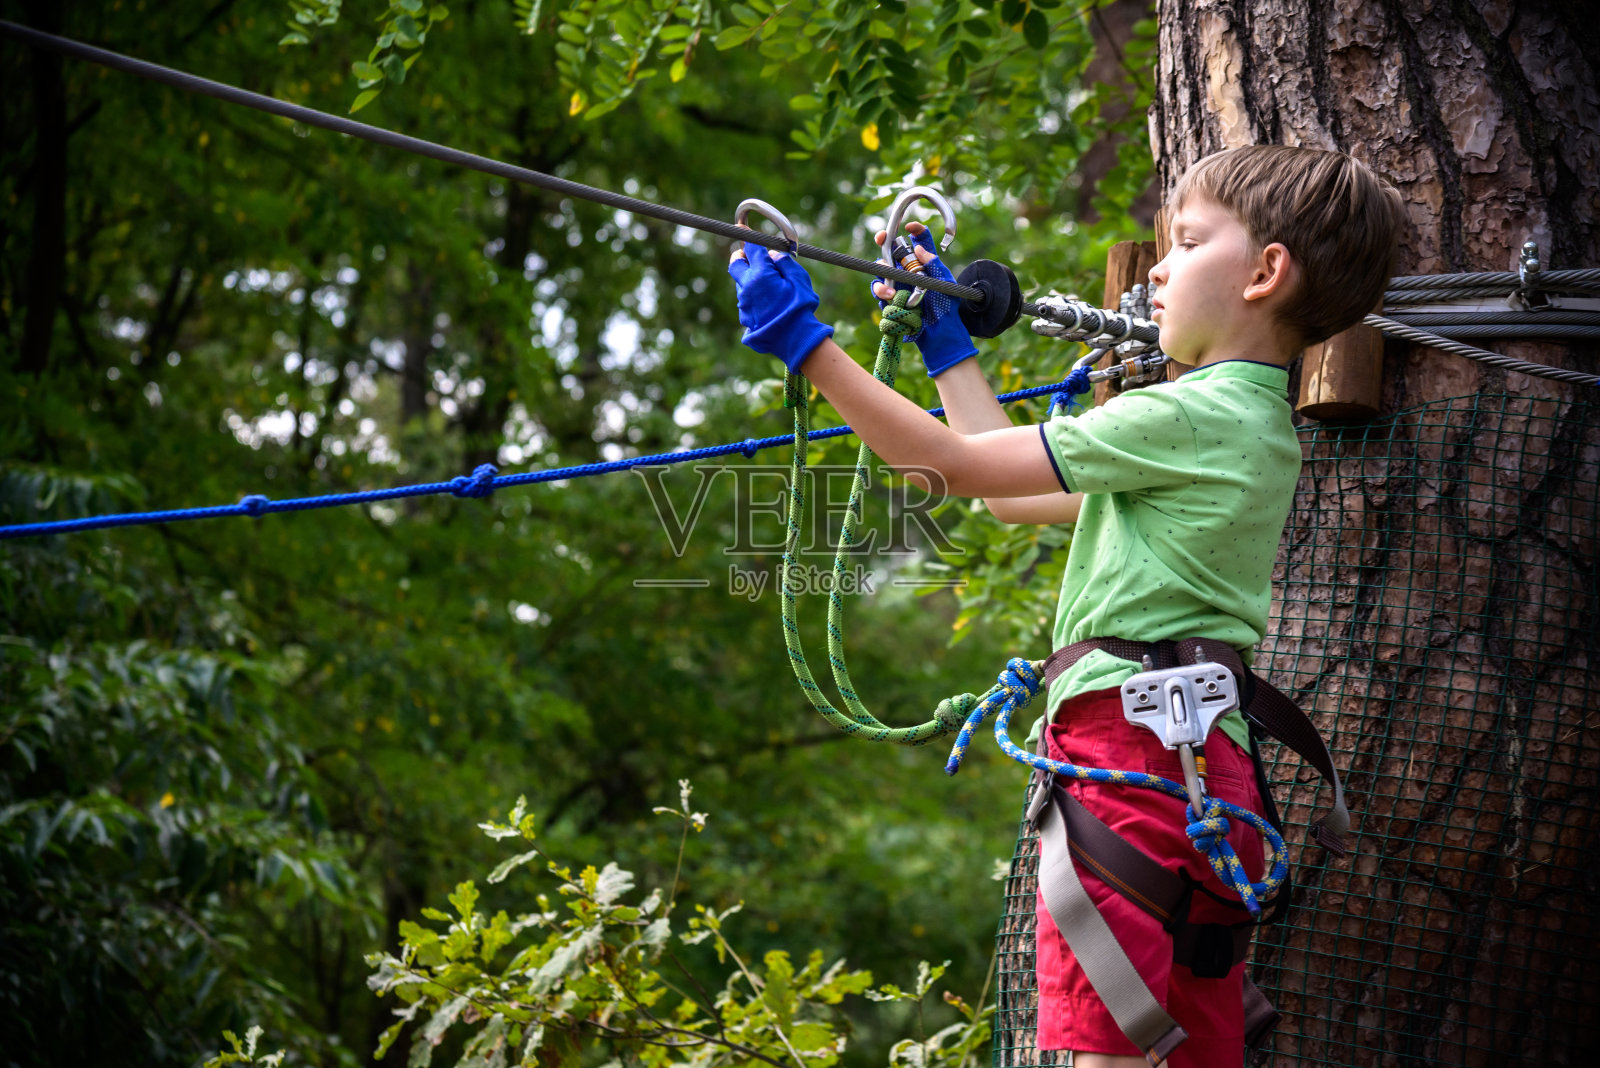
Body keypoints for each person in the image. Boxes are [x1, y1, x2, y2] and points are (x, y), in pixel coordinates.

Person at [728, 144, 1404, 1067]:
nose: (1158, 266)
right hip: (1208, 780)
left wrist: (809, 348)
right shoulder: (1244, 424)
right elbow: (1008, 489)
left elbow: (959, 472)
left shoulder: (1187, 416)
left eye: (1188, 240)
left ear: (1263, 273)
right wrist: (946, 348)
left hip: (1128, 765)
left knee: (1106, 1054)